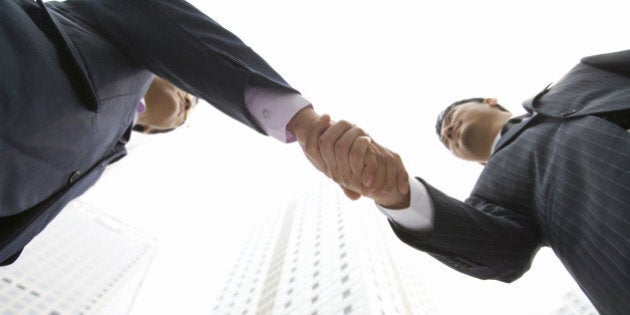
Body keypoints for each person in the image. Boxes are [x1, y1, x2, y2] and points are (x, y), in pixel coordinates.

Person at [0, 0, 396, 266]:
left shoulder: (106, 152)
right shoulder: (87, 20)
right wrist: (304, 124)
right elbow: (154, 20)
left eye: (188, 109)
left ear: (154, 127)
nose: (188, 101)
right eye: (189, 89)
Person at [317, 50, 630, 315]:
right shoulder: (494, 192)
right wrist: (397, 194)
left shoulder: (580, 76)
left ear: (490, 101)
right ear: (478, 162)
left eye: (452, 115)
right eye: (444, 139)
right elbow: (499, 251)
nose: (447, 130)